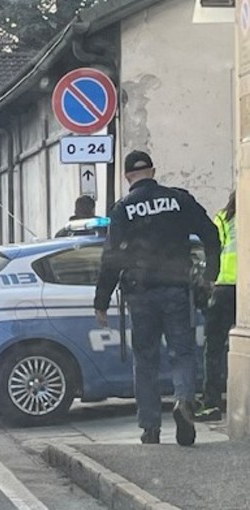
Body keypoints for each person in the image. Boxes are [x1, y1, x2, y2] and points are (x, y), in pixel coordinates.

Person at [93, 150, 220, 447]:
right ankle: (184, 401)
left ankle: (150, 428)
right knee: (182, 353)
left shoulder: (123, 209)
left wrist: (101, 300)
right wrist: (209, 274)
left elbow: (111, 258)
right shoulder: (178, 199)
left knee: (146, 359)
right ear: (152, 171)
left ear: (127, 177)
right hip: (177, 289)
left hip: (140, 293)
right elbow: (211, 233)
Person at [196, 190, 236, 422]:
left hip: (222, 288)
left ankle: (212, 402)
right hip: (245, 290)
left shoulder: (222, 218)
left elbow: (211, 249)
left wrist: (206, 280)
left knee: (214, 347)